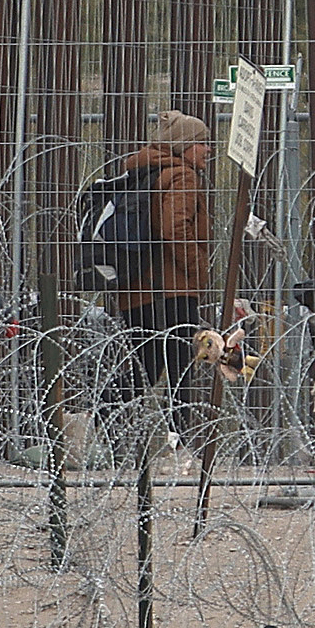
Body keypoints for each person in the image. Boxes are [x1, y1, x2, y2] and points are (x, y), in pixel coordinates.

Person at [101, 108, 216, 412]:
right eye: (202, 142)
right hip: (171, 290)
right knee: (180, 371)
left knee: (146, 370)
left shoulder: (145, 171)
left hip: (136, 288)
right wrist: (197, 270)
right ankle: (178, 443)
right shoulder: (182, 176)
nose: (208, 149)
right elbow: (174, 227)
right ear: (185, 145)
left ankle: (99, 419)